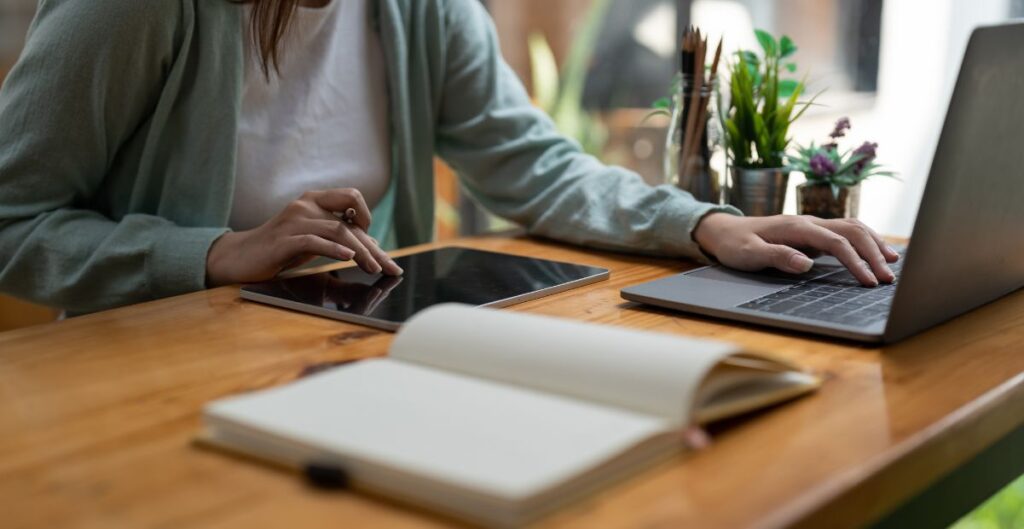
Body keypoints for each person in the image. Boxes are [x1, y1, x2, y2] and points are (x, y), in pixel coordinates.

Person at [0, 0, 898, 315]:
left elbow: (535, 163)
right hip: (152, 376)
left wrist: (705, 223)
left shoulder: (422, 8)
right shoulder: (132, 9)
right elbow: (12, 220)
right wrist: (208, 254)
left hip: (343, 357)